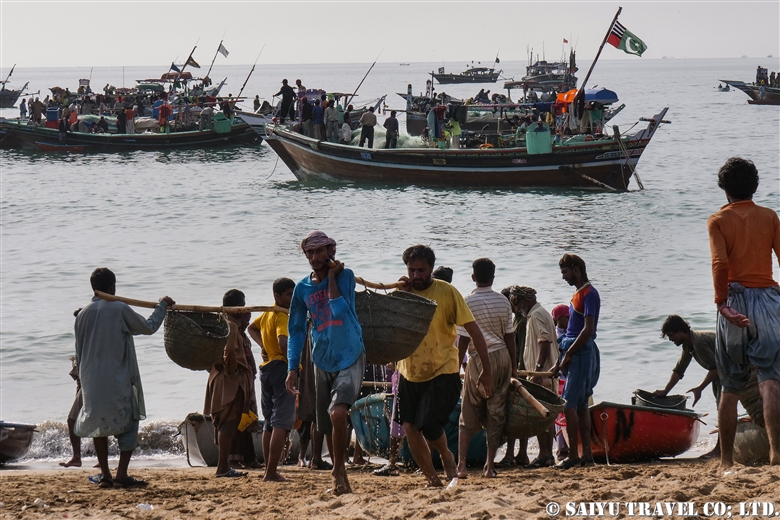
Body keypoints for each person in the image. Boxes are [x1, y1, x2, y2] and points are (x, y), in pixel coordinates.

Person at [395, 245, 492, 487]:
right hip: (409, 370)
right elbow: (390, 326)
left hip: (443, 369)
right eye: (412, 270)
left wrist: (486, 370)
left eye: (422, 270)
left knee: (428, 424)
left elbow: (474, 331)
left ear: (430, 269)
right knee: (409, 427)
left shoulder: (447, 292)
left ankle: (447, 456)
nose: (416, 275)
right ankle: (431, 478)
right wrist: (398, 295)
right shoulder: (402, 293)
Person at [707, 157, 780, 470]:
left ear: (724, 190)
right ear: (756, 186)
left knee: (731, 386)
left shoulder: (718, 221)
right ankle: (777, 455)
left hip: (734, 299)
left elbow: (721, 264)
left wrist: (722, 304)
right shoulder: (770, 216)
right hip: (768, 300)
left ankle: (725, 462)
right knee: (770, 382)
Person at [74, 268, 174, 488]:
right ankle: (121, 474)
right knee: (130, 422)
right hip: (117, 380)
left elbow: (79, 352)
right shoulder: (119, 309)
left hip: (90, 380)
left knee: (97, 424)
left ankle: (106, 475)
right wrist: (163, 306)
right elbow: (148, 327)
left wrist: (81, 381)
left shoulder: (82, 314)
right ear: (112, 287)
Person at [285, 231, 365, 495]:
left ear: (331, 251)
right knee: (326, 424)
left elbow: (339, 309)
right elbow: (296, 330)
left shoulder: (345, 276)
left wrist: (331, 277)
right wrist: (292, 367)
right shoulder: (301, 288)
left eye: (320, 251)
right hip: (322, 357)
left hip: (350, 353)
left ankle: (337, 469)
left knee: (338, 412)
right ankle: (339, 472)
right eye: (310, 253)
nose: (315, 257)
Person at [456, 258, 514, 479]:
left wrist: (455, 367)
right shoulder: (503, 301)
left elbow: (462, 339)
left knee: (469, 410)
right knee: (496, 410)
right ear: (493, 277)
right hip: (502, 357)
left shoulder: (467, 301)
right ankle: (489, 467)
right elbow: (510, 337)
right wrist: (514, 368)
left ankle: (461, 466)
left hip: (478, 357)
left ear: (473, 277)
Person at [552, 254, 600, 469]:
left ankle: (573, 455)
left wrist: (569, 353)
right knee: (580, 405)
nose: (563, 277)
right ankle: (586, 456)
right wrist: (560, 359)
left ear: (577, 270)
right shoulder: (578, 294)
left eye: (565, 272)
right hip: (574, 351)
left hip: (581, 353)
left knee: (570, 403)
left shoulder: (589, 294)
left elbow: (588, 330)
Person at [248, 278, 297, 481]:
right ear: (277, 296)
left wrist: (263, 347)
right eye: (288, 294)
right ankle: (271, 472)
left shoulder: (267, 312)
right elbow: (283, 342)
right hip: (281, 369)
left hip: (267, 369)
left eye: (293, 293)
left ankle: (269, 469)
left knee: (269, 422)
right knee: (280, 422)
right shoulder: (282, 315)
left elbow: (251, 328)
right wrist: (292, 364)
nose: (292, 298)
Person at [653, 315, 721, 458]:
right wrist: (665, 391)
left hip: (735, 370)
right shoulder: (688, 345)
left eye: (671, 335)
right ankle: (721, 448)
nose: (671, 340)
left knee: (724, 408)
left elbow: (715, 368)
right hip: (722, 376)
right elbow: (679, 370)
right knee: (722, 408)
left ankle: (720, 450)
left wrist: (700, 388)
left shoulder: (700, 341)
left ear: (680, 331)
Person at [203, 289, 254, 478]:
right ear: (237, 307)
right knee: (228, 423)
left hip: (217, 377)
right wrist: (233, 372)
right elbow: (230, 352)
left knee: (223, 423)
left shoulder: (219, 322)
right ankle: (222, 467)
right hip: (229, 381)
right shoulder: (231, 326)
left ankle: (223, 465)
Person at [510, 286, 559, 468]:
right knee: (547, 416)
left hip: (541, 374)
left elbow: (544, 341)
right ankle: (547, 455)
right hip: (542, 374)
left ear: (525, 300)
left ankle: (545, 454)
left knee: (542, 417)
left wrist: (538, 370)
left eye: (516, 303)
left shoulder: (536, 315)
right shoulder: (539, 314)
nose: (516, 308)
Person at [551, 303, 570, 460]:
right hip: (560, 379)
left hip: (568, 377)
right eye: (567, 317)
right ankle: (561, 447)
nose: (570, 320)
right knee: (560, 414)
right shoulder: (555, 335)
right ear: (559, 318)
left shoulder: (570, 333)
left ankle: (567, 446)